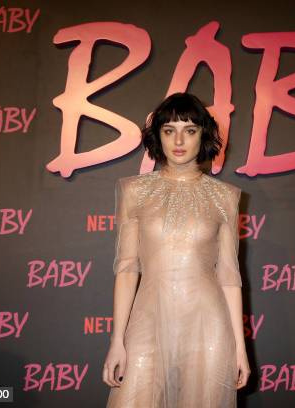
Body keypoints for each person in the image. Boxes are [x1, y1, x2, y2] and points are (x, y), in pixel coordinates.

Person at [103, 92, 251, 407]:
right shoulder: (134, 191)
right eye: (169, 130)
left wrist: (239, 348)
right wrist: (117, 341)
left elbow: (229, 277)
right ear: (158, 136)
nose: (179, 140)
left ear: (204, 135)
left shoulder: (225, 196)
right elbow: (127, 269)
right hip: (147, 320)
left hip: (208, 325)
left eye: (190, 130)